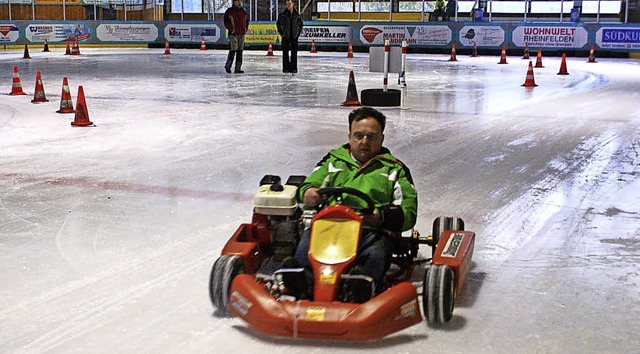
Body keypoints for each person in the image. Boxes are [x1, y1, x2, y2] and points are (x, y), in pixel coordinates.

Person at [283, 107, 418, 303]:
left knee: (376, 252)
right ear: (350, 136)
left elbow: (408, 211)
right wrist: (308, 193)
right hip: (330, 226)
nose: (364, 141)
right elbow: (309, 184)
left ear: (381, 138)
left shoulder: (394, 169)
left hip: (371, 230)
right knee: (307, 244)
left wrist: (379, 216)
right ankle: (302, 280)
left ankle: (361, 284)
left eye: (371, 136)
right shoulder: (333, 161)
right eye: (359, 135)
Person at [276, 0, 304, 74]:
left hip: (294, 36)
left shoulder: (297, 14)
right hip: (286, 36)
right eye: (287, 4)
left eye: (289, 4)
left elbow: (300, 24)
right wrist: (282, 34)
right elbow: (278, 24)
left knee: (294, 53)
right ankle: (286, 68)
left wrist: (297, 34)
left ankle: (293, 68)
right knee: (285, 53)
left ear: (293, 4)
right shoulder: (283, 14)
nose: (288, 5)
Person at [223, 0, 249, 74]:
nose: (239, 3)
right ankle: (228, 66)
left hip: (242, 34)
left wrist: (245, 30)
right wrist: (232, 29)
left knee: (240, 51)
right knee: (233, 49)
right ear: (234, 2)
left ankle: (238, 68)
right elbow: (226, 22)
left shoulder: (243, 11)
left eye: (240, 1)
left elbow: (247, 22)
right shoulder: (229, 11)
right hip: (233, 34)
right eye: (237, 1)